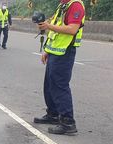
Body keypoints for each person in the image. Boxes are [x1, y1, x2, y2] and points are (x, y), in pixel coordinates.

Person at [33, 0, 85, 135]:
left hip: (65, 52)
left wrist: (48, 26)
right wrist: (47, 50)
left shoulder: (75, 5)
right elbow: (55, 32)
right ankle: (53, 114)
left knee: (60, 86)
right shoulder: (63, 5)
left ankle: (68, 122)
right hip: (55, 52)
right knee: (50, 85)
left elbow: (73, 29)